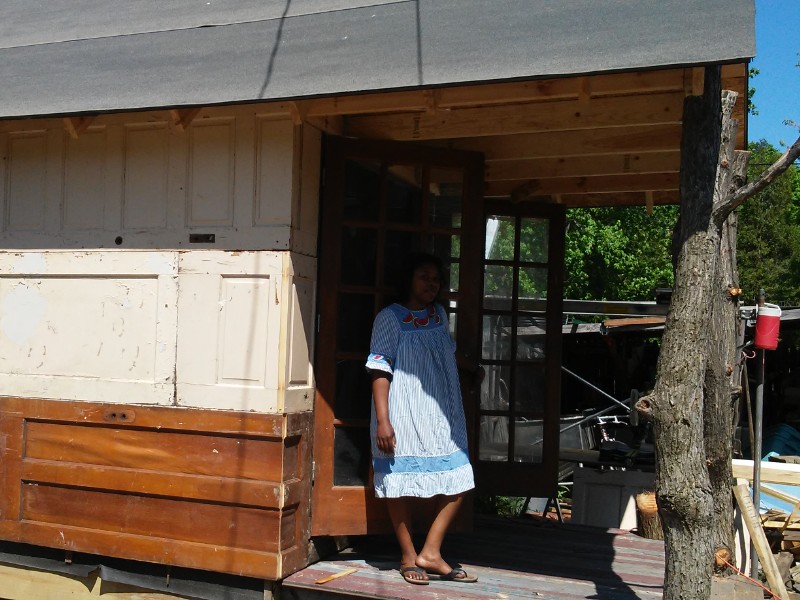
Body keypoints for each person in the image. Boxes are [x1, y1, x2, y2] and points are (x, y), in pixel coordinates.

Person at [365, 252, 477, 586]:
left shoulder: (439, 315)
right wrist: (384, 421)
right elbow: (379, 368)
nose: (432, 284)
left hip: (440, 413)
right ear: (408, 280)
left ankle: (431, 551)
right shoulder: (390, 317)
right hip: (401, 410)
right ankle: (406, 555)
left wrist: (474, 369)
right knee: (396, 479)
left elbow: (446, 352)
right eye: (424, 276)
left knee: (460, 477)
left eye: (436, 279)